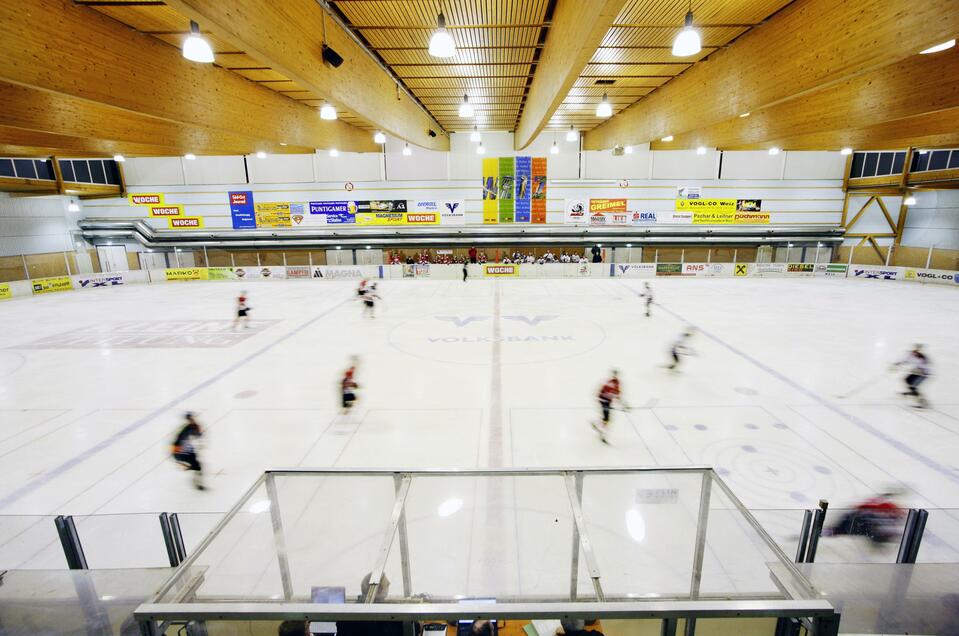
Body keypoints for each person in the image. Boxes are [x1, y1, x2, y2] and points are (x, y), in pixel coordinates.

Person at [823, 491, 905, 545]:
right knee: (847, 524)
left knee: (847, 524)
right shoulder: (884, 506)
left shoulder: (886, 507)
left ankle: (832, 530)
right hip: (863, 520)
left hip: (865, 522)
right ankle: (832, 530)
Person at [171, 412, 205, 490]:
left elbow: (198, 434)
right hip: (181, 451)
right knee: (197, 465)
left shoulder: (188, 428)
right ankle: (196, 480)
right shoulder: (187, 429)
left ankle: (194, 474)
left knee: (197, 464)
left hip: (181, 450)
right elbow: (198, 434)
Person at [893, 344, 931, 408]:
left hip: (923, 374)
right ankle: (912, 392)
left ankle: (923, 404)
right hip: (916, 372)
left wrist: (919, 370)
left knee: (913, 387)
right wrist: (897, 363)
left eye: (918, 351)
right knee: (907, 380)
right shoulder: (910, 354)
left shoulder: (923, 358)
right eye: (915, 350)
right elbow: (905, 359)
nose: (916, 352)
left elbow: (925, 368)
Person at [592, 370, 624, 444]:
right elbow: (604, 392)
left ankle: (597, 425)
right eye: (614, 375)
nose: (615, 376)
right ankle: (602, 433)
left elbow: (617, 392)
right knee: (606, 418)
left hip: (607, 402)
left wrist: (620, 401)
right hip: (603, 401)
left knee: (606, 418)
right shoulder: (609, 382)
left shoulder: (616, 382)